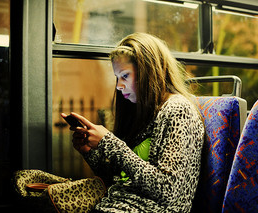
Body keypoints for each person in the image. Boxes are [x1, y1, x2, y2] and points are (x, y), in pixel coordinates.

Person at [62, 32, 205, 212]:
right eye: (117, 77)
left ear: (150, 71)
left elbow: (168, 190)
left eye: (125, 76)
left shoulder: (178, 111)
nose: (119, 86)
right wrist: (90, 153)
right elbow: (119, 179)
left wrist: (109, 143)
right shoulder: (144, 111)